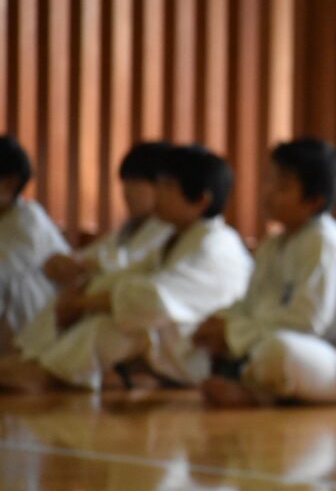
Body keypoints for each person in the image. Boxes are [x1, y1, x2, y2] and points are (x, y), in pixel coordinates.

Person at [0, 145, 252, 392]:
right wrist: (81, 298)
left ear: (201, 200)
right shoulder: (177, 237)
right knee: (94, 298)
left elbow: (153, 299)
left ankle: (48, 373)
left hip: (203, 352)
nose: (158, 194)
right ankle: (34, 360)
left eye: (167, 186)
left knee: (117, 325)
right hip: (174, 340)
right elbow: (123, 277)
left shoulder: (215, 247)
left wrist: (85, 304)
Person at [193, 138, 336, 407]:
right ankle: (253, 386)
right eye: (269, 180)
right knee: (214, 334)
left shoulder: (323, 244)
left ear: (314, 201)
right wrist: (221, 323)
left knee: (279, 351)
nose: (268, 192)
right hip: (311, 352)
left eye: (282, 186)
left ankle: (255, 394)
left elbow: (306, 325)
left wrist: (233, 333)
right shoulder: (273, 244)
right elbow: (251, 306)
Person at [42, 141, 175, 288]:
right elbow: (90, 255)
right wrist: (66, 263)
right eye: (125, 183)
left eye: (135, 183)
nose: (127, 192)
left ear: (162, 185)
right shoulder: (131, 228)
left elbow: (130, 265)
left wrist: (89, 265)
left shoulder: (167, 228)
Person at [0, 135, 70, 351]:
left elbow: (4, 270)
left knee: (16, 284)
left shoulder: (28, 219)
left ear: (11, 182)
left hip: (45, 328)